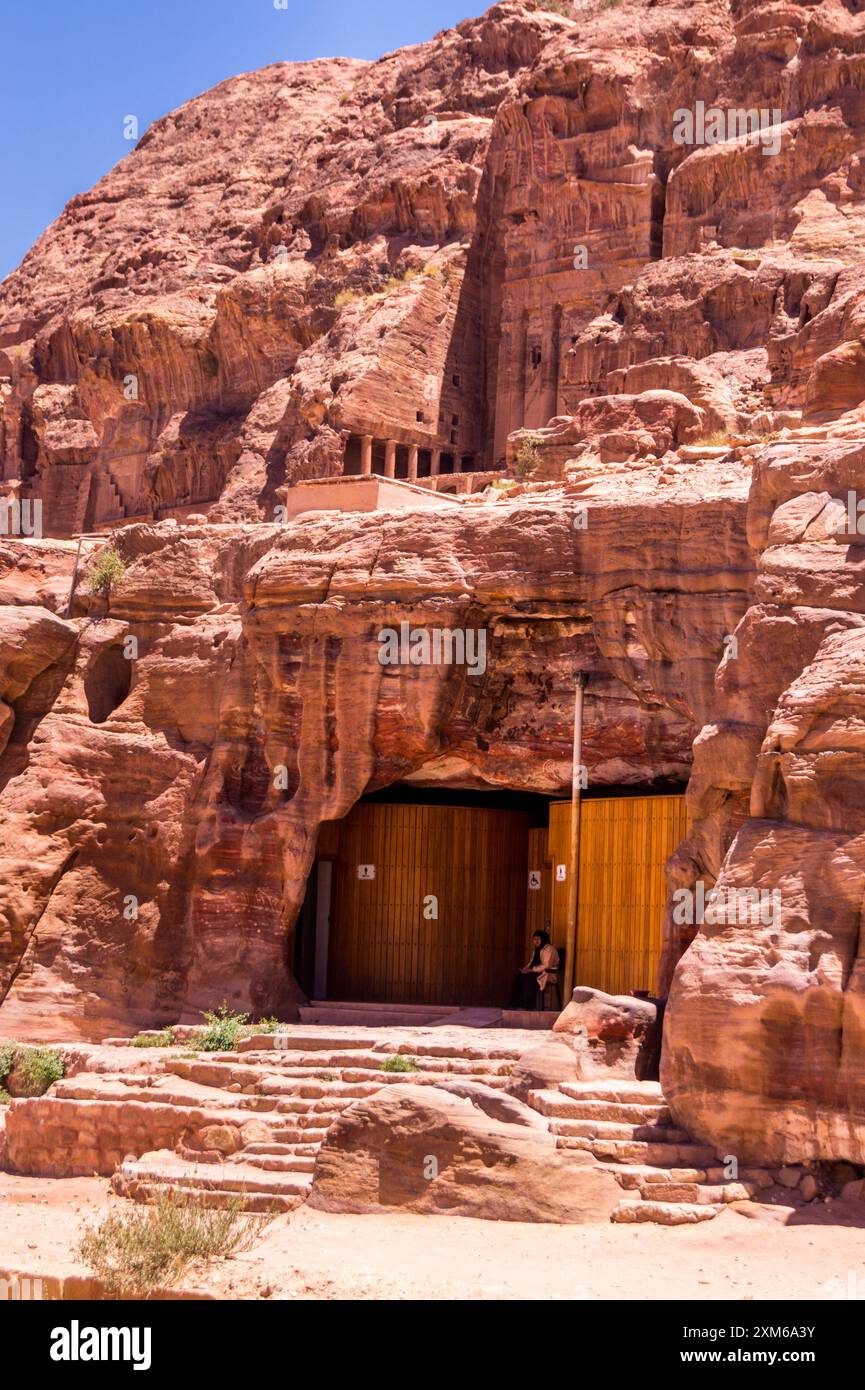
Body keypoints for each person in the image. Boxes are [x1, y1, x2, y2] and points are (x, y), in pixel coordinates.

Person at [508, 930, 560, 1009]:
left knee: (528, 979)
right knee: (519, 977)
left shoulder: (549, 949)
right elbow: (532, 962)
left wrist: (531, 970)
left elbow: (546, 966)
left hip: (547, 974)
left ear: (543, 939)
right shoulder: (537, 949)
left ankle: (530, 1006)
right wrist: (525, 969)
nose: (536, 941)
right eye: (534, 939)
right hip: (537, 971)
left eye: (538, 939)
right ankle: (517, 1004)